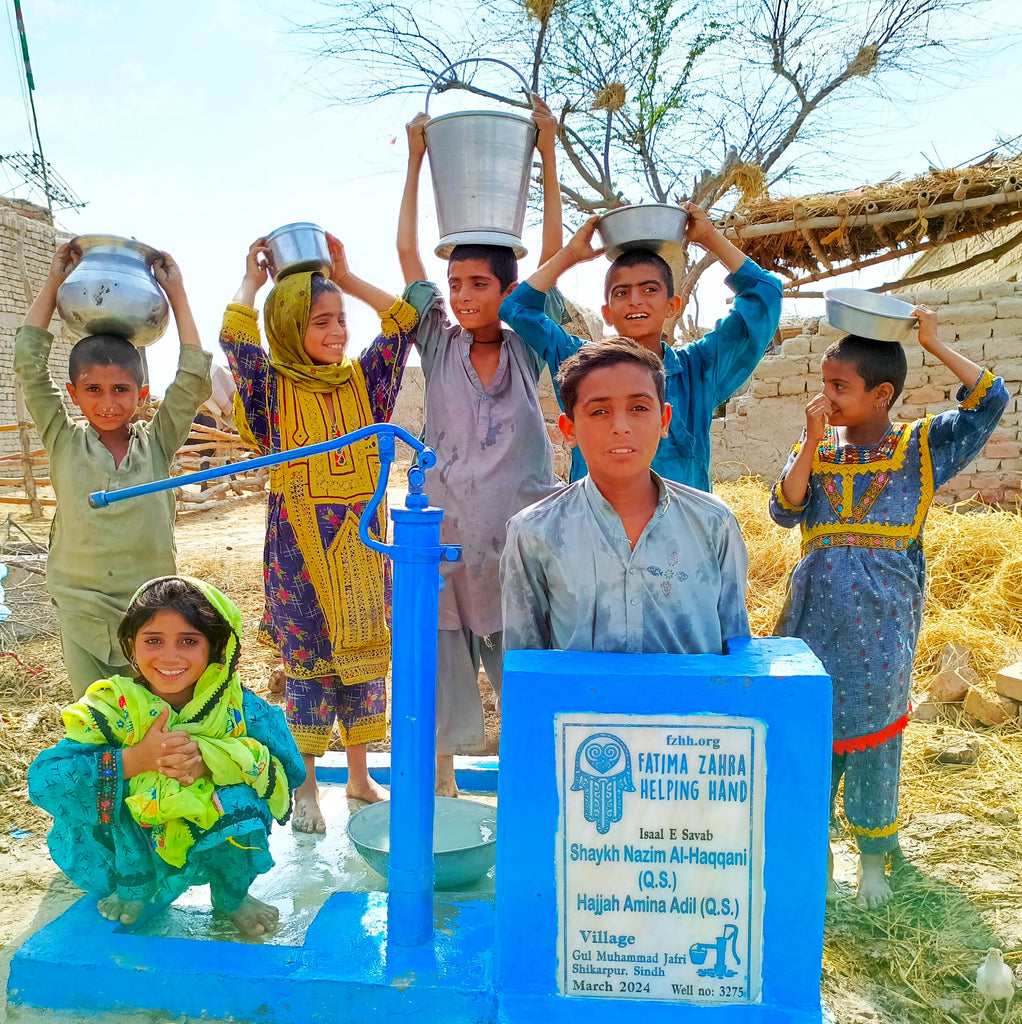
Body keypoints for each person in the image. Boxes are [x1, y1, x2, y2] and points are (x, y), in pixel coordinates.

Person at [769, 308, 1008, 908]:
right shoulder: (817, 446)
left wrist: (933, 343)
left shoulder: (920, 447)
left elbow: (991, 401)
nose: (825, 397)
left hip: (882, 622)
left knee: (876, 737)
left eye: (838, 386)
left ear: (880, 395)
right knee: (812, 734)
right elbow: (783, 510)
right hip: (812, 617)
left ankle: (873, 861)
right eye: (824, 384)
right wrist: (810, 443)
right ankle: (819, 856)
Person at [221, 234, 416, 832]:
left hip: (363, 543)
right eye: (320, 322)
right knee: (309, 665)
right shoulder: (269, 391)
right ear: (288, 327)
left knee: (365, 657)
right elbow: (237, 341)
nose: (338, 332)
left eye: (341, 320)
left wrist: (348, 277)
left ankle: (358, 777)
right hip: (299, 550)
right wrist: (252, 282)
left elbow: (405, 320)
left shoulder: (365, 382)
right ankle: (306, 787)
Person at [398, 95, 564, 794]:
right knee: (441, 670)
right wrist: (415, 161)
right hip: (447, 540)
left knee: (525, 670)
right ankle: (442, 786)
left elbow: (552, 258)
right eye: (456, 284)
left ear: (509, 290)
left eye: (479, 284)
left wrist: (548, 152)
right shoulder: (438, 343)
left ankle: (535, 786)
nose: (464, 296)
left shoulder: (529, 345)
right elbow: (407, 254)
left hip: (516, 544)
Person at [28, 576, 304, 936]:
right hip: (135, 840)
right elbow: (45, 781)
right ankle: (134, 886)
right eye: (153, 640)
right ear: (131, 645)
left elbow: (289, 769)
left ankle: (232, 895)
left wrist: (214, 761)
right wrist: (135, 760)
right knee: (97, 792)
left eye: (189, 641)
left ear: (217, 647)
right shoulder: (112, 708)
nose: (170, 656)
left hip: (212, 837)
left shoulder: (239, 709)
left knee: (242, 800)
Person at [14, 243, 212, 698]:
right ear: (73, 394)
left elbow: (192, 379)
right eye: (94, 390)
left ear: (141, 394)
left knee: (156, 720)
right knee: (96, 721)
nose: (108, 403)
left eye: (121, 389)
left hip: (151, 615)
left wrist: (177, 293)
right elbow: (28, 365)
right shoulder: (63, 439)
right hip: (80, 611)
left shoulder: (157, 443)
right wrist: (54, 281)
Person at [499, 206, 782, 489]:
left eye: (649, 289)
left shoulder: (699, 369)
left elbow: (766, 293)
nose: (635, 300)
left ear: (672, 306)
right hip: (594, 518)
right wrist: (570, 254)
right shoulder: (579, 364)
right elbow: (515, 307)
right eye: (622, 292)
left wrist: (709, 237)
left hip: (680, 518)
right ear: (607, 312)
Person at [501, 337, 749, 655]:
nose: (620, 427)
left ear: (664, 421)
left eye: (639, 408)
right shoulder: (534, 532)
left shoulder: (714, 523)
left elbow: (737, 648)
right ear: (569, 429)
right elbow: (523, 659)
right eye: (599, 411)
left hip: (698, 692)